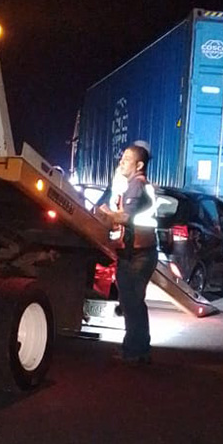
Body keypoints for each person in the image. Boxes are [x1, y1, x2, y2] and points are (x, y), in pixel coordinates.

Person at [97, 142, 158, 364]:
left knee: (131, 303)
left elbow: (125, 217)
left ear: (139, 165)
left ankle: (133, 351)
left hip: (137, 254)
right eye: (121, 159)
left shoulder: (136, 185)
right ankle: (138, 349)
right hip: (140, 252)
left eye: (126, 159)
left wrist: (104, 213)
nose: (121, 162)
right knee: (134, 303)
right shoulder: (136, 185)